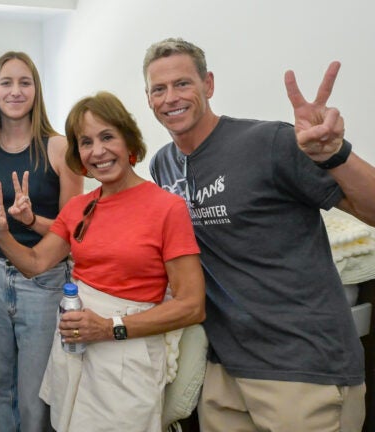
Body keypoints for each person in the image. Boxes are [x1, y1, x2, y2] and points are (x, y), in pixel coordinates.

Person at [145, 37, 375, 431]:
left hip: (302, 366)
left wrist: (336, 153)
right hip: (224, 371)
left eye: (183, 83)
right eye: (158, 89)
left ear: (209, 84)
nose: (171, 98)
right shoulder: (162, 166)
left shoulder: (269, 143)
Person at [0, 91, 205, 431]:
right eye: (86, 142)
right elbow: (36, 263)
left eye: (107, 137)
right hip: (74, 345)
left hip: (127, 355)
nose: (97, 151)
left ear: (129, 140)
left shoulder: (166, 209)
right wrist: (1, 232)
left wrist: (110, 327)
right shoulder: (79, 207)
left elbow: (192, 306)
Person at [0, 51, 83, 432]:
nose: (15, 91)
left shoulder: (59, 148)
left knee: (37, 391)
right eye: (6, 82)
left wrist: (29, 220)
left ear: (36, 90)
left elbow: (70, 234)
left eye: (25, 82)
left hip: (44, 280)